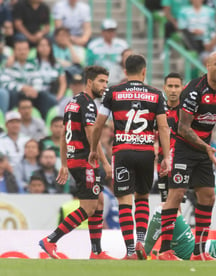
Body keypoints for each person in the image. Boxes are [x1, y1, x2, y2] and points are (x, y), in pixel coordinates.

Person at [157, 51, 216, 261]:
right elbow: (183, 128)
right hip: (184, 148)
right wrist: (205, 147)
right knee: (176, 195)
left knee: (208, 196)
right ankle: (165, 251)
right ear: (208, 66)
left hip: (204, 150)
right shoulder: (193, 91)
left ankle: (199, 252)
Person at [88, 55, 171, 260]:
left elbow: (98, 124)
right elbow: (163, 127)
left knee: (124, 200)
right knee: (142, 197)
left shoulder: (113, 92)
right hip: (145, 153)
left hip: (122, 152)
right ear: (144, 71)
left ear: (125, 71)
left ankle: (131, 251)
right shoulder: (156, 94)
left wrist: (93, 149)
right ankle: (141, 241)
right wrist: (166, 157)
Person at [39, 66, 113, 260]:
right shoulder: (88, 104)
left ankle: (96, 251)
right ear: (89, 82)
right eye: (101, 81)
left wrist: (64, 163)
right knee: (88, 207)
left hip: (75, 159)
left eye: (106, 82)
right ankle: (51, 240)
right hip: (85, 160)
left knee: (99, 201)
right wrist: (105, 162)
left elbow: (64, 134)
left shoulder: (72, 102)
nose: (105, 86)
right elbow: (91, 135)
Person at [156, 72, 183, 203]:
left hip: (180, 159)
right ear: (164, 87)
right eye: (170, 86)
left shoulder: (186, 111)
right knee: (165, 201)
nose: (173, 90)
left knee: (176, 200)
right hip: (162, 161)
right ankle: (170, 224)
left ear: (182, 88)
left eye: (177, 86)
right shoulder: (158, 109)